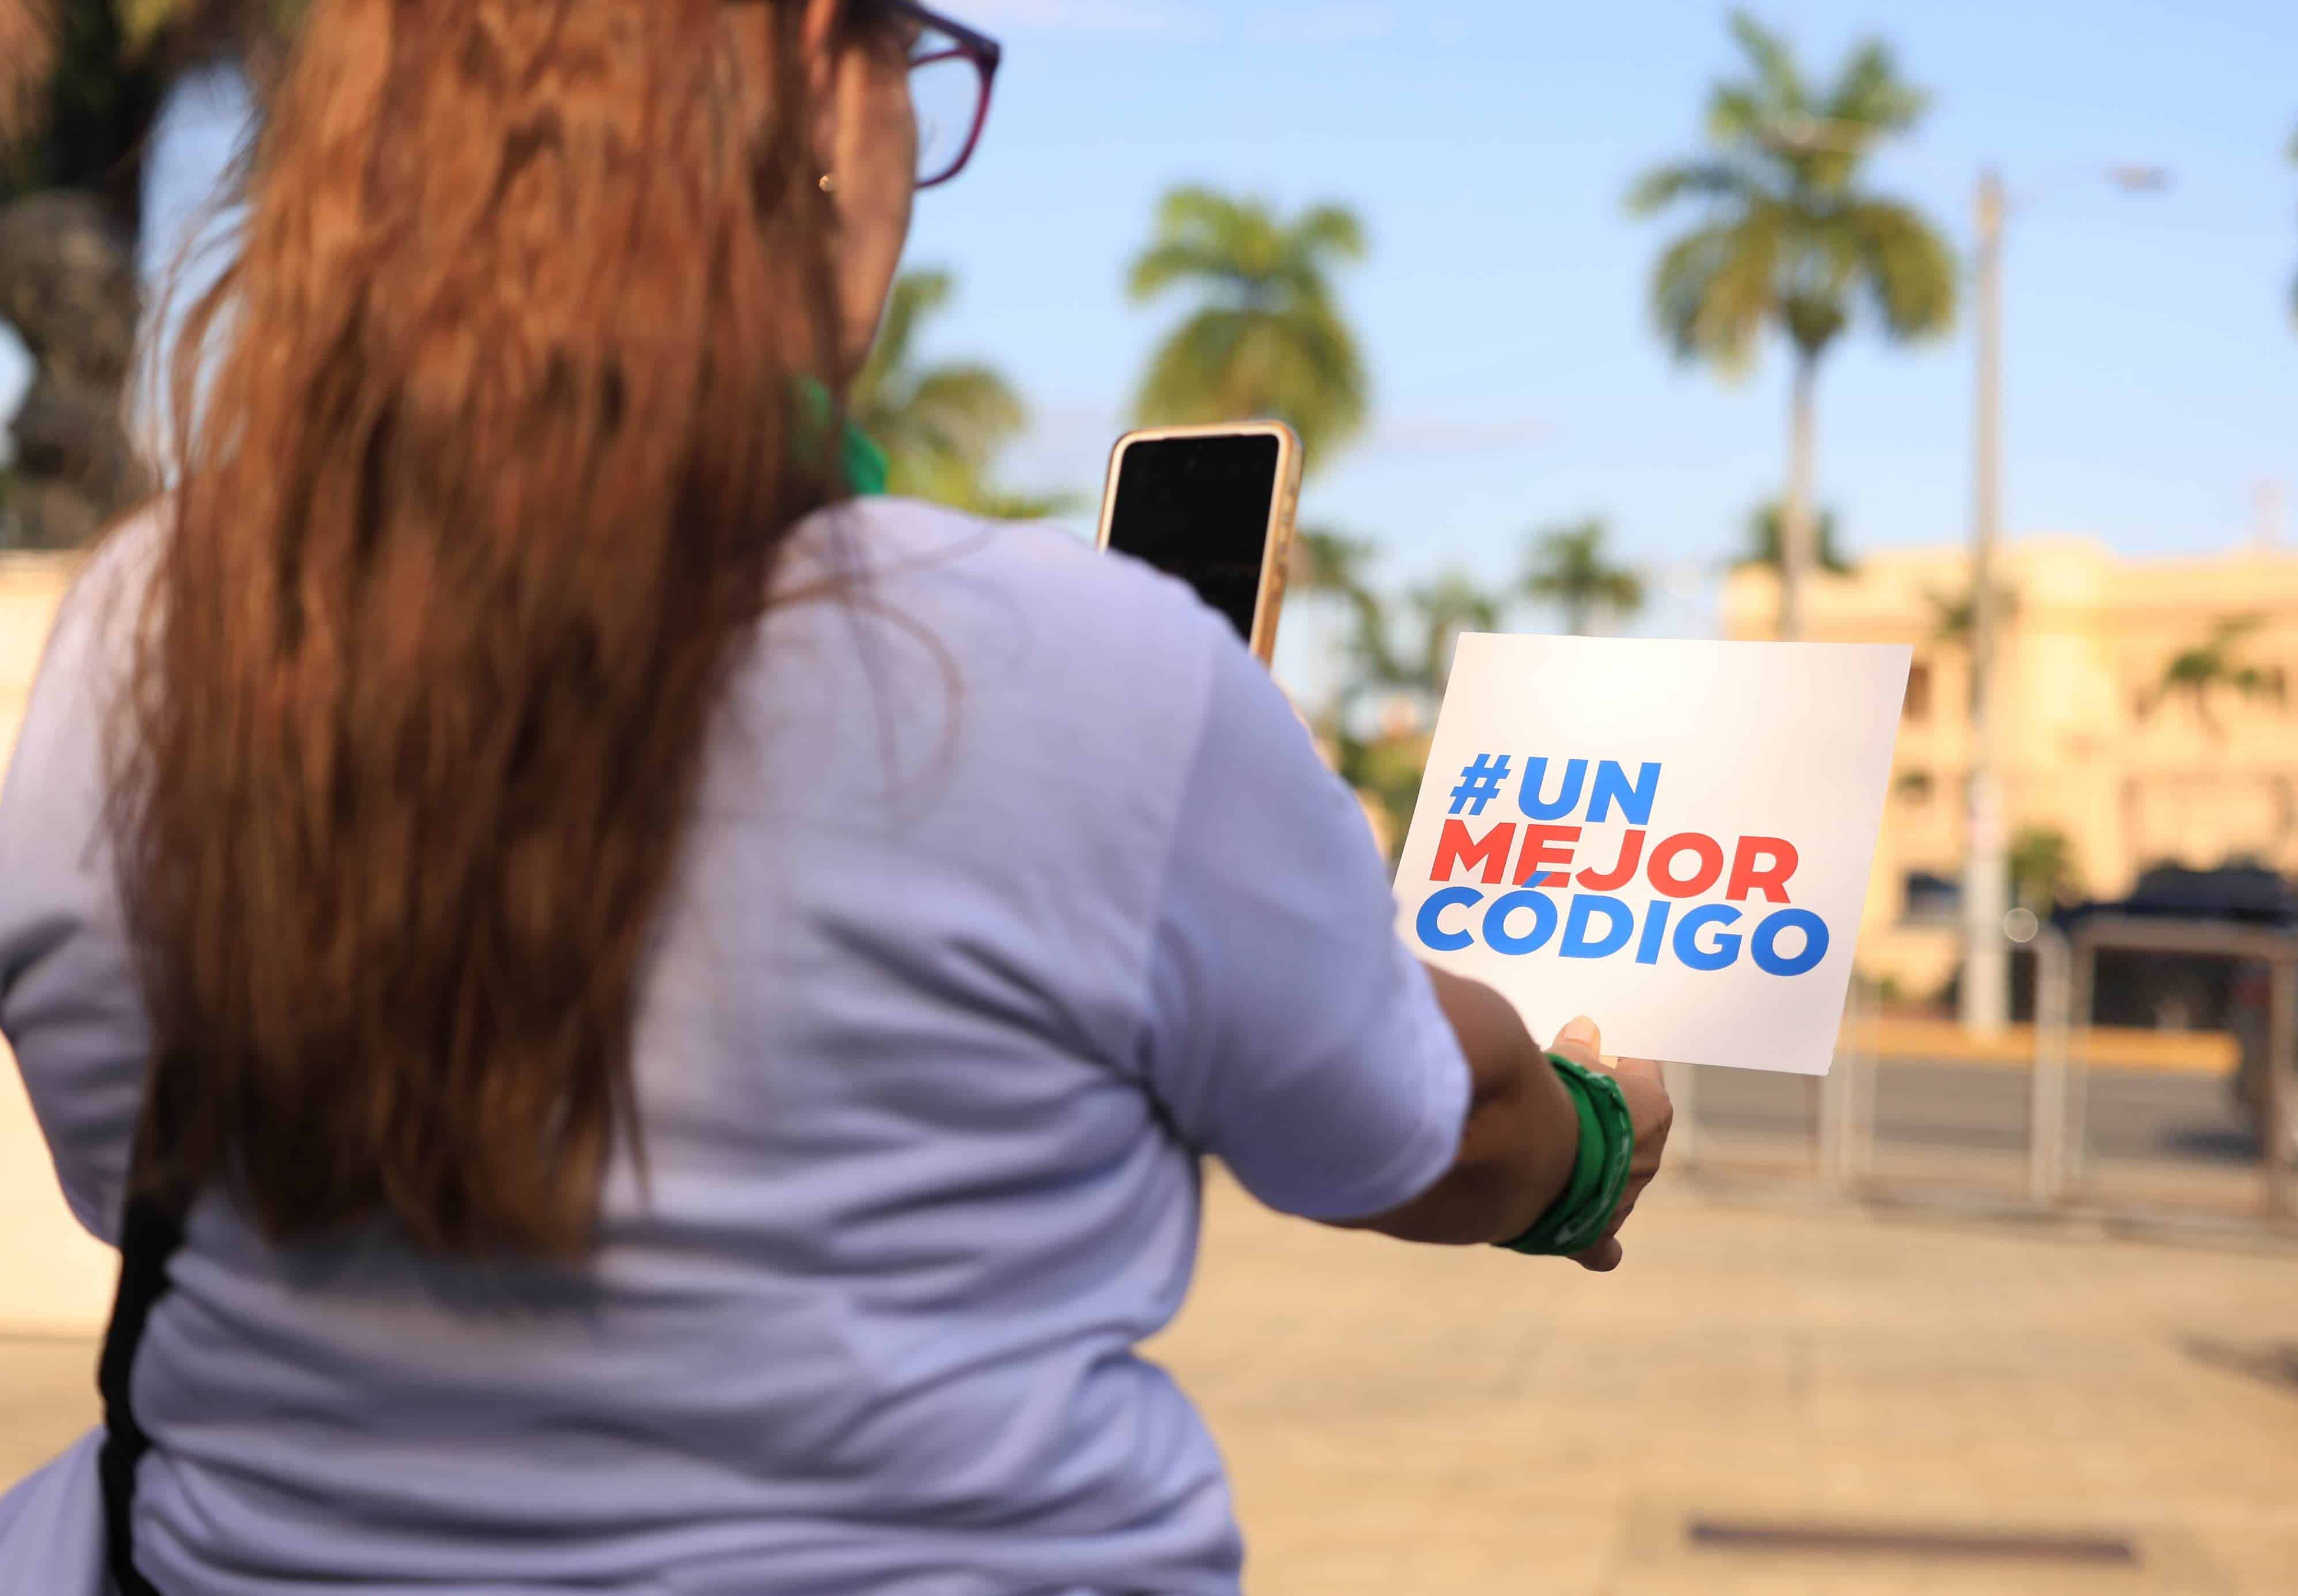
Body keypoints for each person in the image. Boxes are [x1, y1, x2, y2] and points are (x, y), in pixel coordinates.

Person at [0, 1, 1673, 1592]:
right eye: (917, 68)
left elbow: (114, 1163)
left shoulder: (154, 620)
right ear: (817, 79)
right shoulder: (1105, 676)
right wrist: (1592, 1144)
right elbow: (1426, 1124)